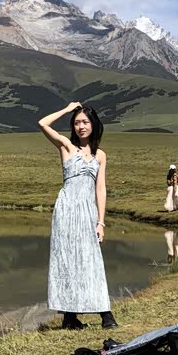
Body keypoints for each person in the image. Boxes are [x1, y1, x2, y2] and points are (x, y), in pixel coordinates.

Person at [38, 101, 118, 330]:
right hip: (66, 210)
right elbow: (43, 123)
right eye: (76, 123)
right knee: (66, 260)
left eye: (85, 122)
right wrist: (67, 109)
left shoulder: (100, 155)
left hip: (87, 212)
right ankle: (69, 317)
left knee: (91, 259)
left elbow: (100, 189)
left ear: (93, 124)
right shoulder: (66, 146)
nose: (81, 126)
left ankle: (106, 315)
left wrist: (101, 222)